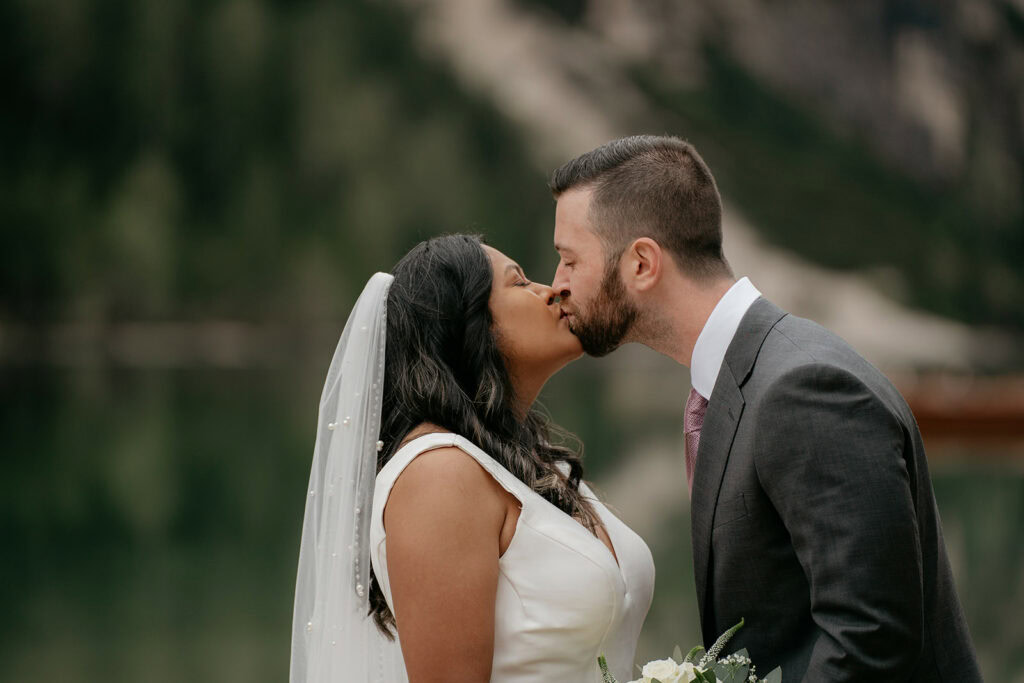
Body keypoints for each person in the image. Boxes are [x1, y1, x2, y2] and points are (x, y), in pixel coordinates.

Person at [548, 135, 982, 682]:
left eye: (569, 259)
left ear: (641, 263)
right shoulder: (743, 380)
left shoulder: (805, 389)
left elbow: (871, 639)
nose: (558, 283)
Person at [289, 234, 655, 683]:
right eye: (519, 283)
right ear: (465, 323)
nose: (551, 290)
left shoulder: (536, 466)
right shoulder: (438, 476)